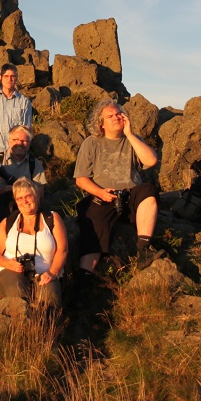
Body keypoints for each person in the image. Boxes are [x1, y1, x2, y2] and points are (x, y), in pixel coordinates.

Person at [73, 99, 163, 281]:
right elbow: (81, 179)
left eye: (118, 114)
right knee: (92, 228)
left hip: (130, 196)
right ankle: (84, 280)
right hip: (103, 195)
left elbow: (151, 161)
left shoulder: (133, 140)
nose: (116, 118)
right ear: (101, 123)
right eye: (110, 116)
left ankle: (143, 250)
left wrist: (129, 134)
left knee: (148, 191)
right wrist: (100, 193)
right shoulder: (91, 143)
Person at [0, 178, 67, 308]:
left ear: (37, 196)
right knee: (17, 296)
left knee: (50, 302)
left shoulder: (52, 218)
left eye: (28, 196)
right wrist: (8, 263)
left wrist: (53, 272)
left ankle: (45, 327)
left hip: (46, 272)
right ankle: (23, 327)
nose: (24, 201)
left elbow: (62, 250)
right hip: (11, 270)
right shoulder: (8, 222)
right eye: (19, 198)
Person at [0, 125, 48, 224]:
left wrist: (23, 193)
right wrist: (3, 191)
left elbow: (40, 193)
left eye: (24, 141)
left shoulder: (34, 164)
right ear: (9, 141)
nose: (19, 143)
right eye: (16, 139)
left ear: (29, 144)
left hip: (25, 205)